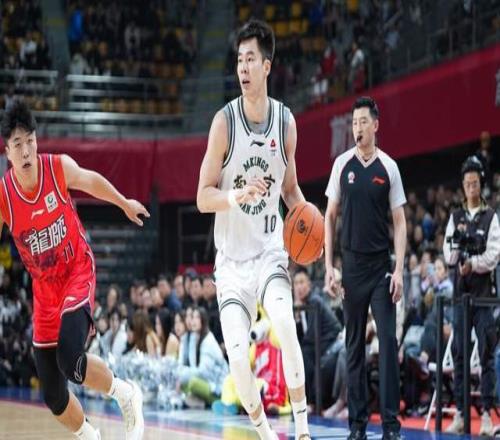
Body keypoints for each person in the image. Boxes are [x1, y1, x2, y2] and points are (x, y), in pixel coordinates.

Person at [0, 100, 148, 440]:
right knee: (53, 395)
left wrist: (123, 203)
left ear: (37, 140)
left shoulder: (57, 168)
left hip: (77, 271)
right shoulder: (5, 196)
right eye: (17, 144)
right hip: (44, 292)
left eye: (30, 141)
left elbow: (91, 181)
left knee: (71, 360)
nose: (26, 151)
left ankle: (126, 394)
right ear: (7, 152)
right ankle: (89, 436)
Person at [196, 19, 311, 440]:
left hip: (268, 252)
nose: (242, 67)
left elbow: (290, 189)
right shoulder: (224, 123)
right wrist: (236, 195)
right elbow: (202, 196)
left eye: (250, 59)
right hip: (230, 264)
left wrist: (309, 221)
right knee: (238, 360)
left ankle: (302, 431)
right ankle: (266, 435)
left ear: (267, 65)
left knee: (284, 325)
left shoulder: (286, 123)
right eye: (239, 60)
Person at [324, 96, 407, 440]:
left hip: (380, 269)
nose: (357, 128)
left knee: (387, 341)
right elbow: (329, 216)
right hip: (351, 268)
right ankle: (357, 426)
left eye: (363, 122)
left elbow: (400, 222)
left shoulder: (389, 167)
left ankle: (391, 427)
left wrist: (399, 270)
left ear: (375, 125)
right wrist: (329, 266)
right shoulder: (341, 165)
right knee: (354, 346)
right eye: (354, 122)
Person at [443, 156, 500, 436]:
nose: (471, 188)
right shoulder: (455, 217)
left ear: (481, 184)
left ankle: (487, 414)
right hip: (460, 296)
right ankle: (461, 413)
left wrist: (473, 263)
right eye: (467, 184)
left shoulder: (491, 217)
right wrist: (458, 251)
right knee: (459, 354)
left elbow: (494, 255)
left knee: (486, 354)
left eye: (475, 183)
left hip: (483, 296)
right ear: (463, 185)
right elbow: (448, 255)